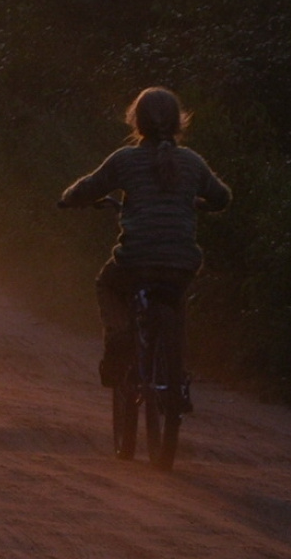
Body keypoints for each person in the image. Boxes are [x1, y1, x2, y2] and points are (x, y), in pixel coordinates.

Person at [58, 87, 231, 390]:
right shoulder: (191, 162)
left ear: (136, 122)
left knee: (108, 284)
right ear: (179, 122)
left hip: (136, 261)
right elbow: (222, 197)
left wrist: (68, 199)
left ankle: (119, 340)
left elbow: (88, 188)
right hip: (182, 262)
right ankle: (176, 374)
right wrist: (200, 204)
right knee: (176, 297)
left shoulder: (125, 160)